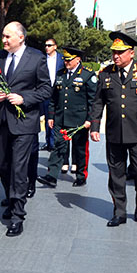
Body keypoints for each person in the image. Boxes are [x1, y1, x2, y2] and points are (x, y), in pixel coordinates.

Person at [0, 21, 52, 237]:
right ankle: (11, 199)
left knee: (19, 169)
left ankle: (17, 216)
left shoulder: (36, 58)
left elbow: (46, 89)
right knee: (2, 163)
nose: (3, 40)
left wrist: (24, 98)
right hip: (0, 121)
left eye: (7, 36)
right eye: (3, 36)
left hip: (24, 123)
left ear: (21, 38)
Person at [89, 31, 137, 225]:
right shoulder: (105, 74)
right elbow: (98, 102)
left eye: (120, 52)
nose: (116, 56)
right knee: (116, 174)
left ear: (131, 53)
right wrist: (95, 126)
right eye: (114, 52)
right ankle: (119, 212)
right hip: (115, 132)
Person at [39, 46, 97, 188]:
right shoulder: (60, 74)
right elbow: (54, 97)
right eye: (65, 60)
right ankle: (52, 176)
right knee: (58, 146)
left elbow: (93, 101)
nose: (66, 62)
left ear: (78, 59)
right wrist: (51, 116)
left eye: (69, 60)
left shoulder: (87, 75)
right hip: (61, 118)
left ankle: (81, 176)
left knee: (80, 149)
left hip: (79, 120)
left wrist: (90, 120)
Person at [38, 38, 63, 151]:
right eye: (46, 45)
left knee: (58, 118)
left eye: (49, 45)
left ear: (55, 46)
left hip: (59, 91)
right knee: (48, 118)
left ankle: (57, 142)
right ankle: (49, 143)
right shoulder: (41, 59)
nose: (47, 47)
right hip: (46, 91)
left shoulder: (62, 59)